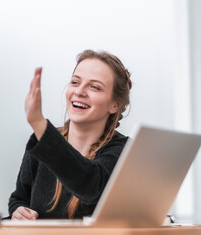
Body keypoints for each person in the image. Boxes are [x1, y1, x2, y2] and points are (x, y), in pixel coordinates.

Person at [8, 50, 132, 219]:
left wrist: (39, 124)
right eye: (75, 82)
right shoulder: (41, 142)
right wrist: (19, 210)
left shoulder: (124, 151)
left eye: (94, 87)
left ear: (114, 105)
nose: (79, 92)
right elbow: (19, 198)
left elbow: (90, 184)